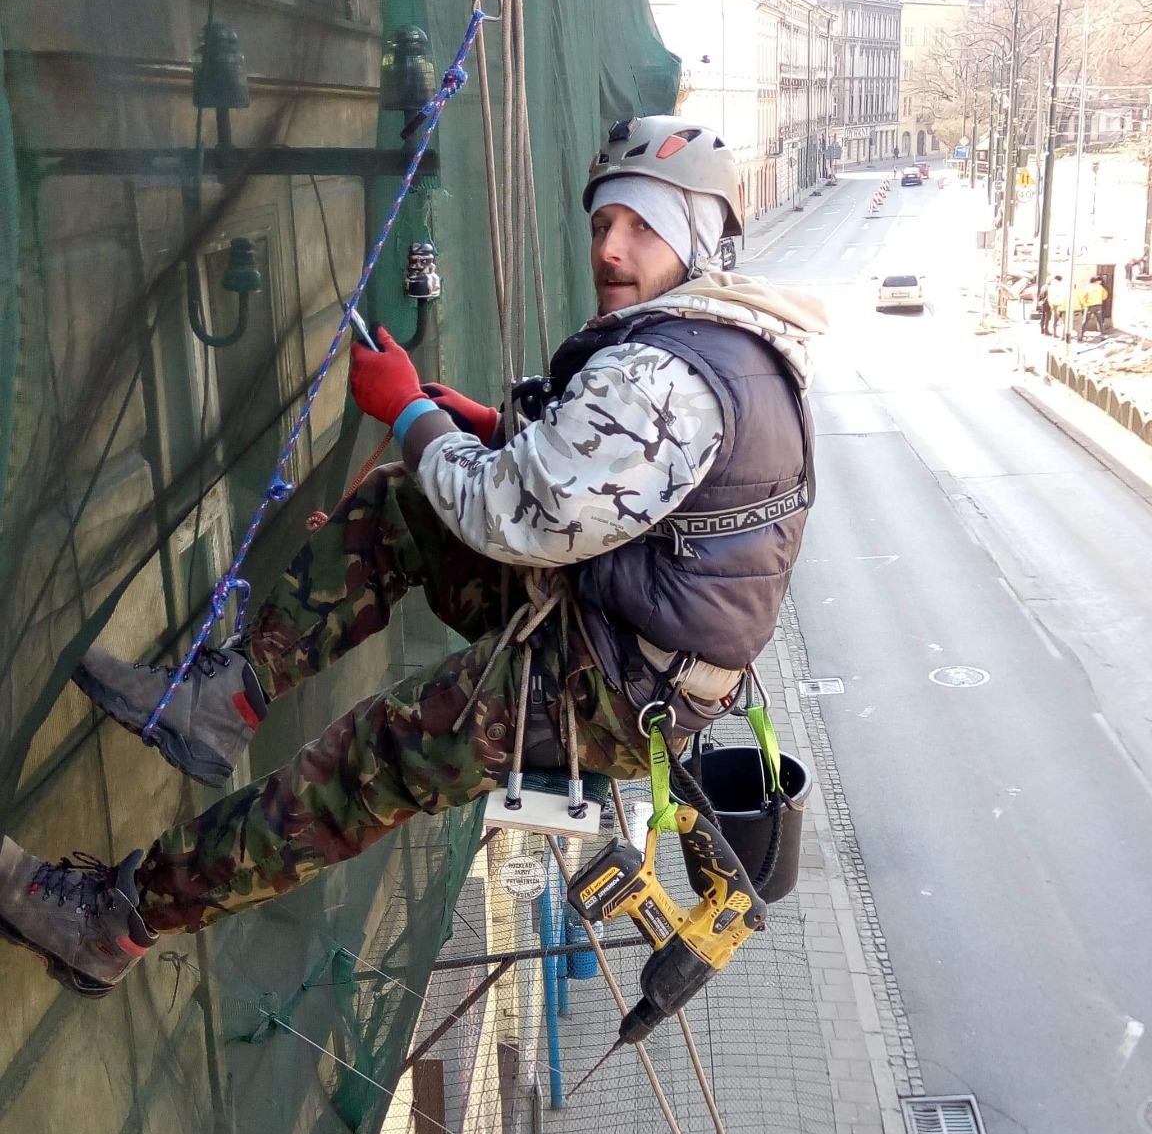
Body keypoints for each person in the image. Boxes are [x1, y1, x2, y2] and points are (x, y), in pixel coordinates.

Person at [0, 117, 826, 996]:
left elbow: (514, 513)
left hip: (612, 689)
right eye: (601, 225)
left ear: (696, 236)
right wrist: (489, 429)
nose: (612, 249)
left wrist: (410, 411)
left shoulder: (669, 377)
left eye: (643, 226)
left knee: (375, 758)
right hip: (626, 641)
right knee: (408, 500)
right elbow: (622, 489)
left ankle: (110, 923)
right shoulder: (728, 343)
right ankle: (223, 703)